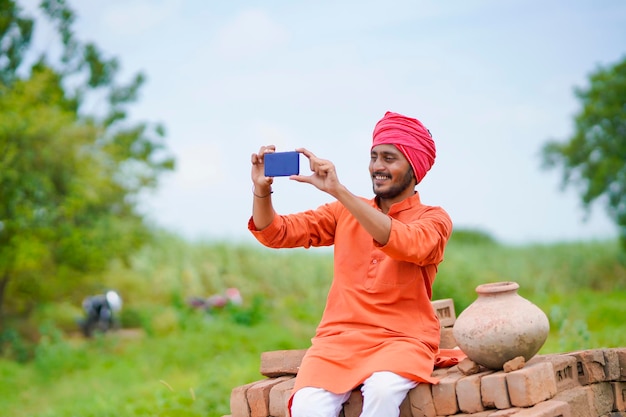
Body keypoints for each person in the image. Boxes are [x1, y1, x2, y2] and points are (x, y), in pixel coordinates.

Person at [248, 111, 457, 417]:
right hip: (337, 342)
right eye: (374, 157)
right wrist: (261, 189)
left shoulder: (434, 219)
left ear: (415, 168)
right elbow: (274, 233)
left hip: (402, 341)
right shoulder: (343, 212)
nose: (378, 167)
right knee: (306, 405)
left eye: (389, 158)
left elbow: (404, 242)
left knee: (383, 391)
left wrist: (339, 191)